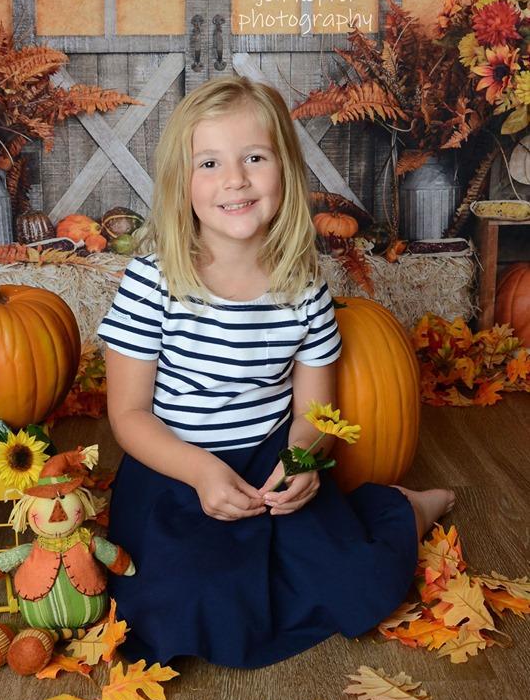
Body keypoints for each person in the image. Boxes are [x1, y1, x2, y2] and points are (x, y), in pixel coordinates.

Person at [97, 75, 454, 669]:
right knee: (182, 604)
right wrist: (202, 473)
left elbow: (315, 412)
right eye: (208, 162)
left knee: (356, 580)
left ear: (283, 170)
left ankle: (405, 509)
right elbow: (128, 415)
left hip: (269, 465)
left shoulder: (303, 285)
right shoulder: (154, 281)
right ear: (180, 184)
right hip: (176, 469)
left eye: (254, 158)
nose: (234, 179)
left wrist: (302, 460)